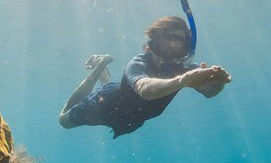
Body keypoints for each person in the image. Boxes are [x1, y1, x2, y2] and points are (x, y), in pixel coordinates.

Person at [58, 15, 231, 138]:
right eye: (165, 42)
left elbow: (209, 91)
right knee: (63, 121)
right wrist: (182, 80)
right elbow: (145, 89)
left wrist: (218, 81)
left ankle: (101, 67)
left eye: (179, 44)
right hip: (103, 107)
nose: (170, 49)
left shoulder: (186, 69)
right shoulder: (138, 63)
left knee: (110, 88)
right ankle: (98, 70)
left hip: (130, 119)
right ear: (150, 45)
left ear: (187, 49)